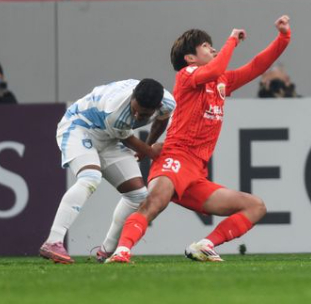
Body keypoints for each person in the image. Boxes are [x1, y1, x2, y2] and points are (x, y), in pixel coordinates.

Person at [107, 16, 292, 263]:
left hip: (196, 173)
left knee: (256, 206)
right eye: (206, 46)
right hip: (174, 158)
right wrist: (232, 41)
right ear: (190, 58)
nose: (213, 49)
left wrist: (283, 38)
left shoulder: (221, 82)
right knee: (154, 204)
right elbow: (215, 68)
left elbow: (257, 66)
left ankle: (204, 245)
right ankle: (121, 251)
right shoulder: (187, 75)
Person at [39, 79, 174, 264]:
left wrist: (148, 144)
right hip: (79, 127)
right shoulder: (116, 109)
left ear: (157, 106)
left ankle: (106, 251)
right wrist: (149, 151)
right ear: (132, 95)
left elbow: (161, 120)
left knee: (138, 195)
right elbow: (127, 139)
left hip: (108, 138)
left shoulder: (167, 103)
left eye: (143, 115)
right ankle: (53, 241)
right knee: (90, 178)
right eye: (135, 109)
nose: (136, 115)